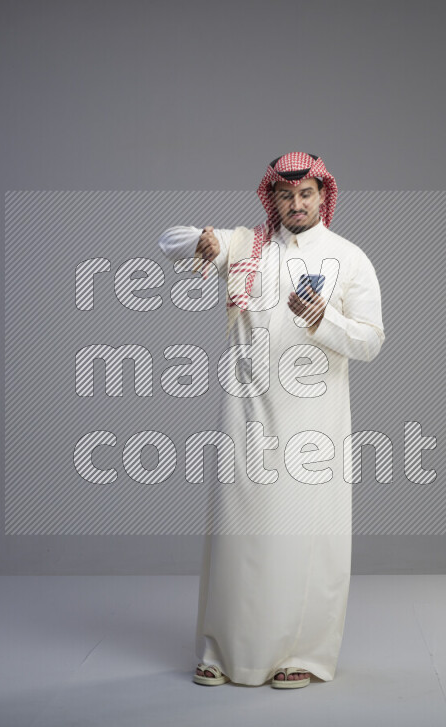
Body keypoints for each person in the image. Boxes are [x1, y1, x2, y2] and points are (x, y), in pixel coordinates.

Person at [157, 152, 384, 689]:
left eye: (306, 194)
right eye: (286, 195)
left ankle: (301, 654)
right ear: (273, 198)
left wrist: (323, 320)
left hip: (313, 422)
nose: (296, 204)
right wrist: (200, 242)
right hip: (246, 415)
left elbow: (371, 341)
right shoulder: (245, 246)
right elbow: (169, 240)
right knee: (238, 535)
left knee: (304, 539)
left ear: (322, 195)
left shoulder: (349, 258)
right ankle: (220, 649)